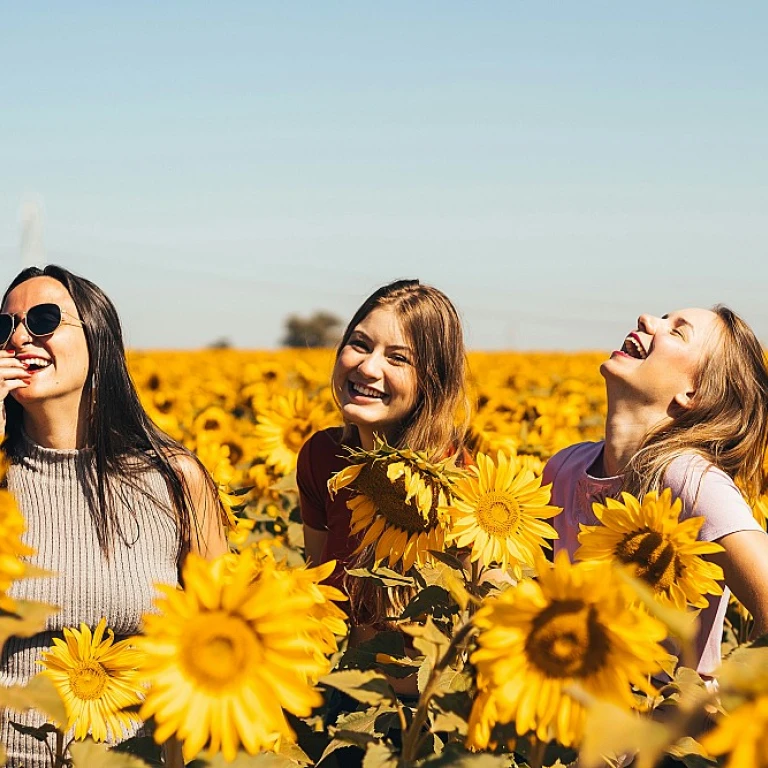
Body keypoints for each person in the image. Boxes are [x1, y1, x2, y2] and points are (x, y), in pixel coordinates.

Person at [0, 265, 228, 767]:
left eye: (43, 320)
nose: (17, 337)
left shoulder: (174, 479)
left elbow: (221, 636)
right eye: (4, 325)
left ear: (98, 338)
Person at [543, 306, 768, 676]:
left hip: (664, 710)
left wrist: (735, 695)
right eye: (662, 318)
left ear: (693, 393)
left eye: (677, 331)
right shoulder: (564, 468)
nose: (646, 320)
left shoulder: (691, 481)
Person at [297, 279, 469, 671]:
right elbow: (318, 592)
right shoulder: (323, 457)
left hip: (427, 700)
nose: (368, 367)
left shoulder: (461, 484)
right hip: (341, 685)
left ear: (433, 381)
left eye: (398, 358)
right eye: (359, 344)